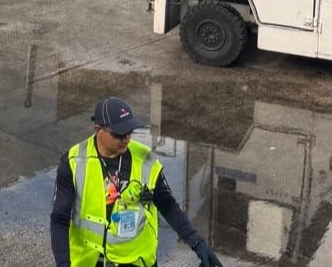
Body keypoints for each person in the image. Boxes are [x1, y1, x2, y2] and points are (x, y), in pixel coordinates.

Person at [50, 97, 222, 267]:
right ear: (98, 130)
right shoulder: (73, 162)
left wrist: (196, 241)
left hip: (136, 260)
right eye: (119, 133)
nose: (126, 139)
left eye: (129, 131)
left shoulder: (146, 160)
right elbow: (59, 218)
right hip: (89, 260)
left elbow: (167, 204)